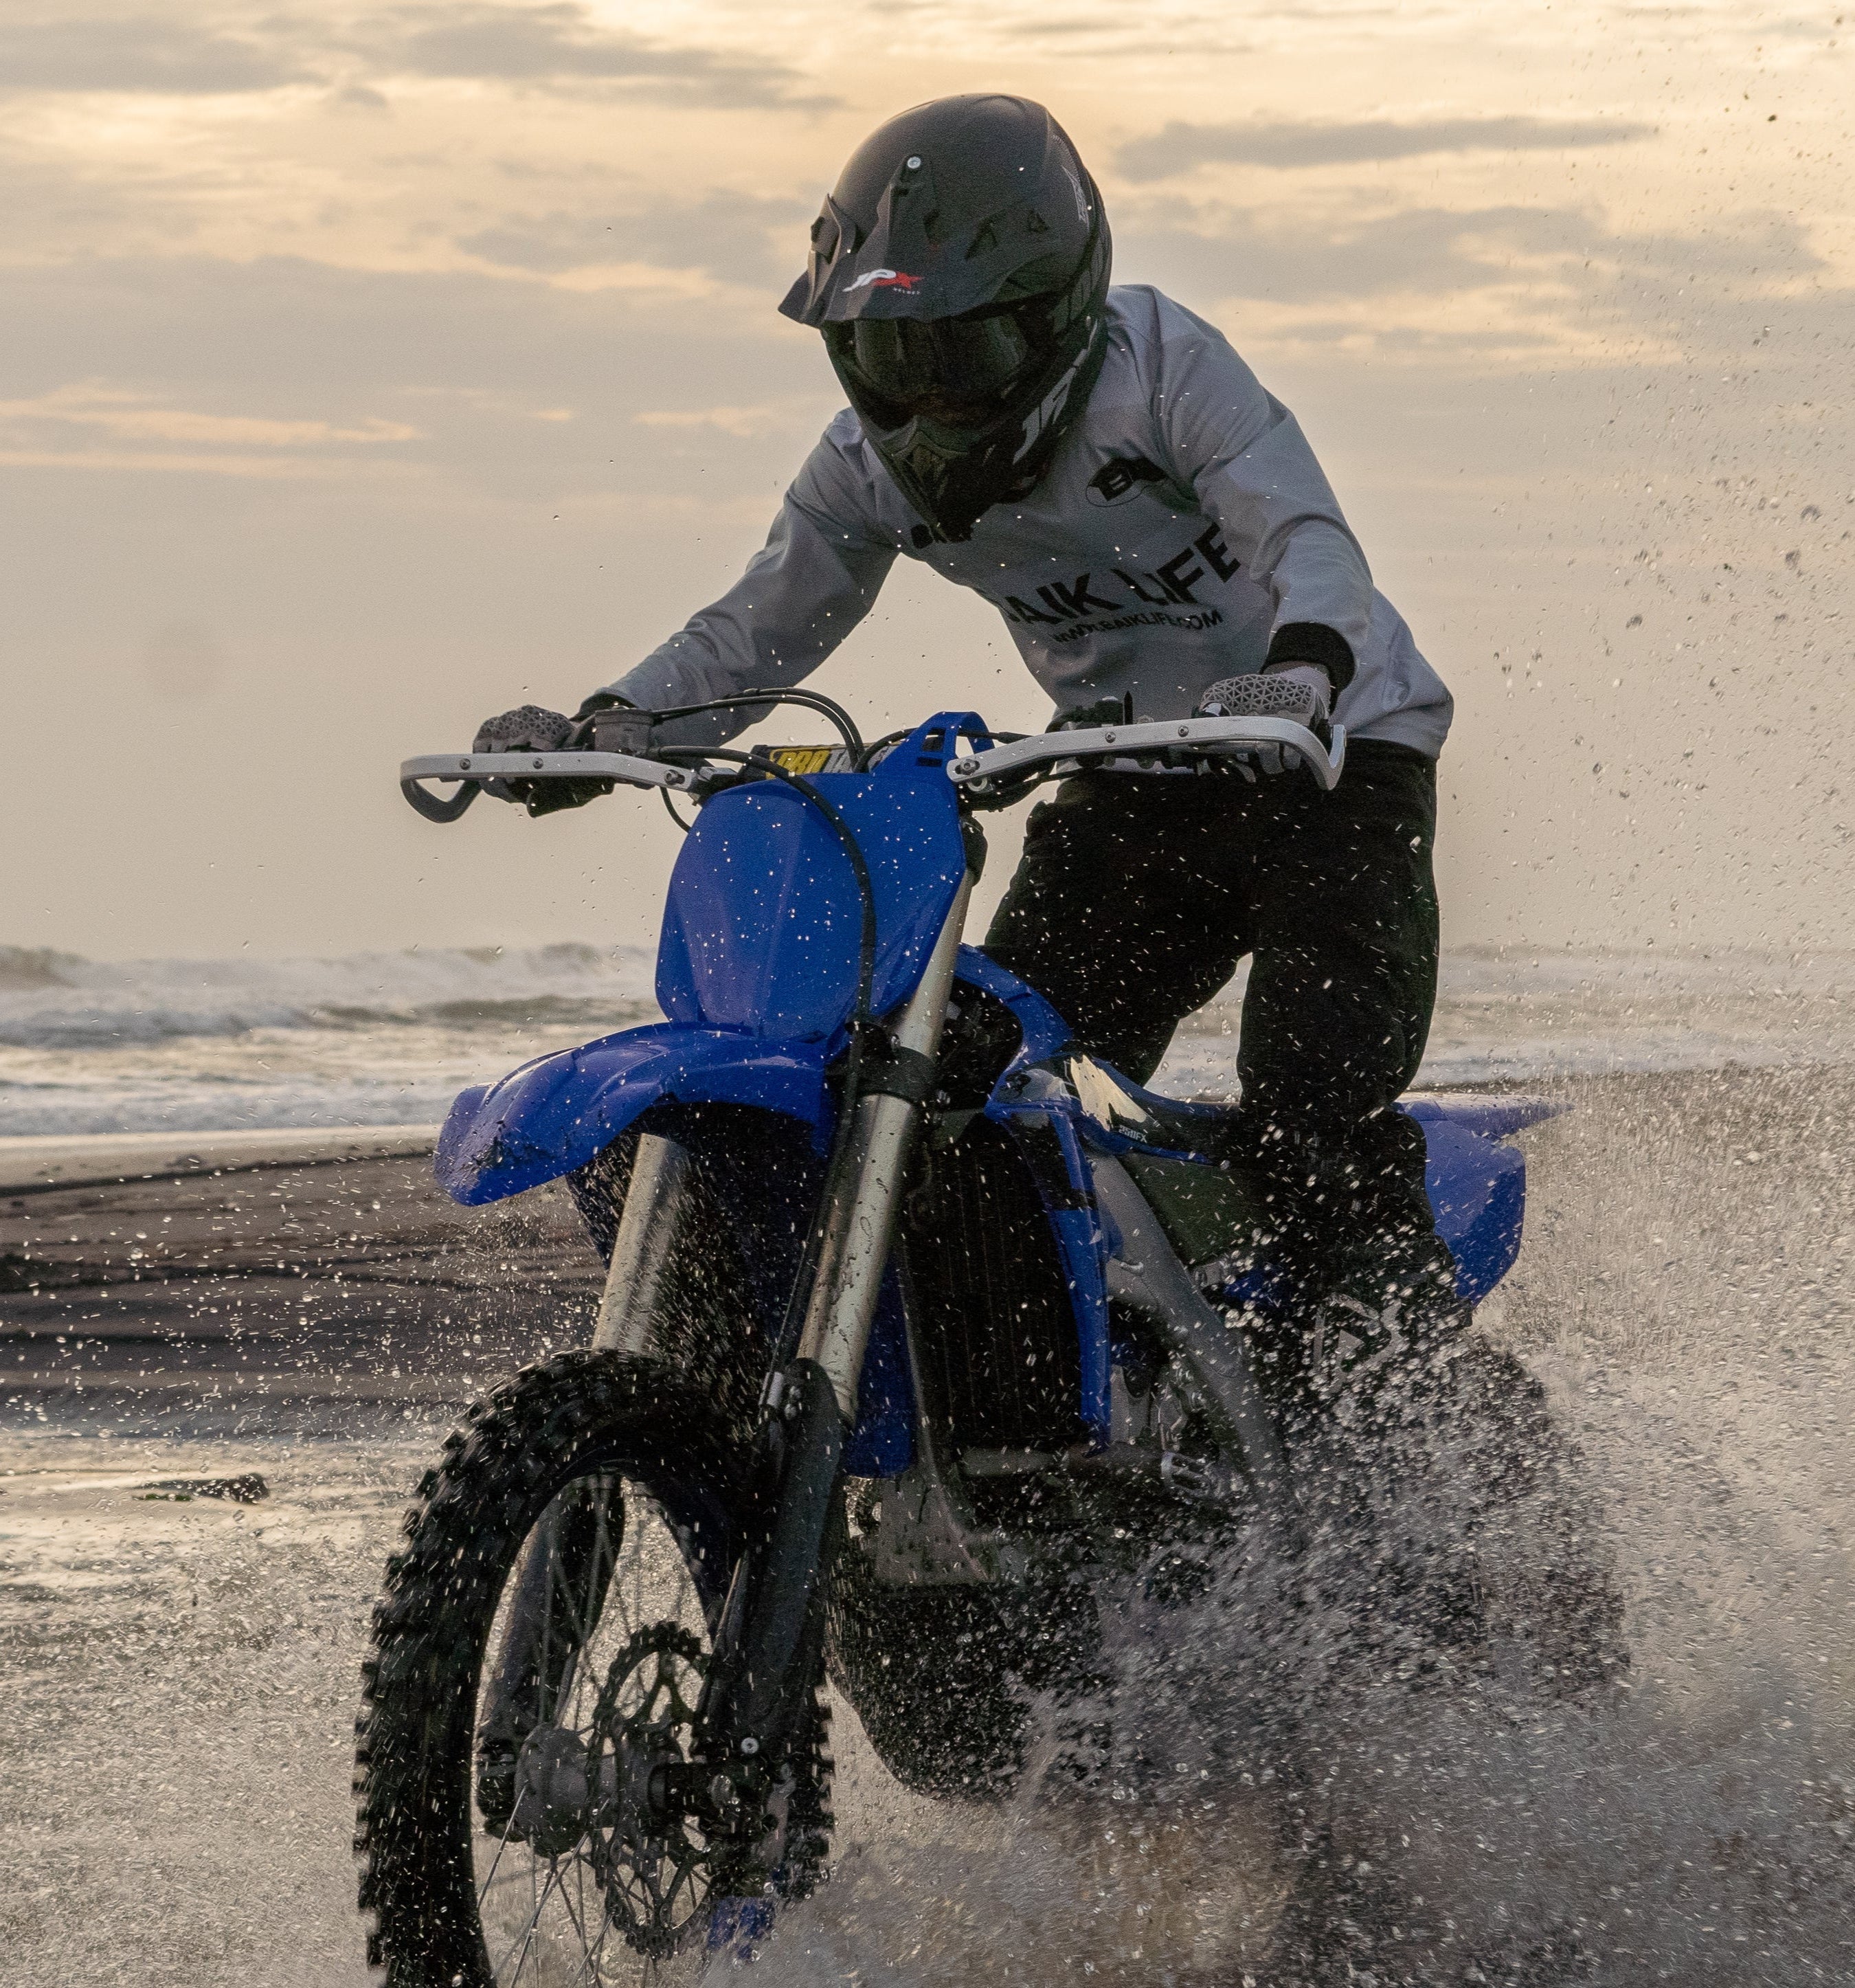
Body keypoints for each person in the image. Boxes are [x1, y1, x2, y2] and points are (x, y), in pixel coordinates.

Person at [473, 93, 1463, 1379]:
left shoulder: (1162, 367)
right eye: (893, 359)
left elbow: (1307, 541)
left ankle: (1424, 1430)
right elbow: (761, 627)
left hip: (1334, 761)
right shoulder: (863, 471)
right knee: (982, 1094)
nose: (930, 404)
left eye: (963, 356)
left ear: (1057, 312)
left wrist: (1302, 676)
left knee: (1308, 1121)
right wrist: (608, 724)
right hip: (1126, 785)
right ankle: (1053, 1414)